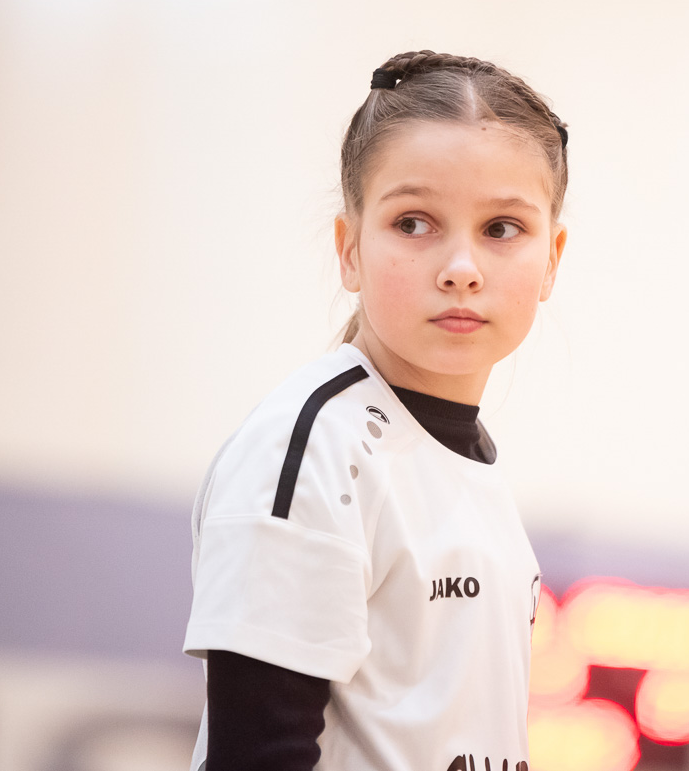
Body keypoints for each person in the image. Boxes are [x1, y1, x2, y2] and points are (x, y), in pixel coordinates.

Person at [182, 50, 569, 771]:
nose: (461, 269)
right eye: (414, 223)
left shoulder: (473, 472)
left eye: (501, 228)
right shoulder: (313, 450)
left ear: (552, 259)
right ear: (350, 248)